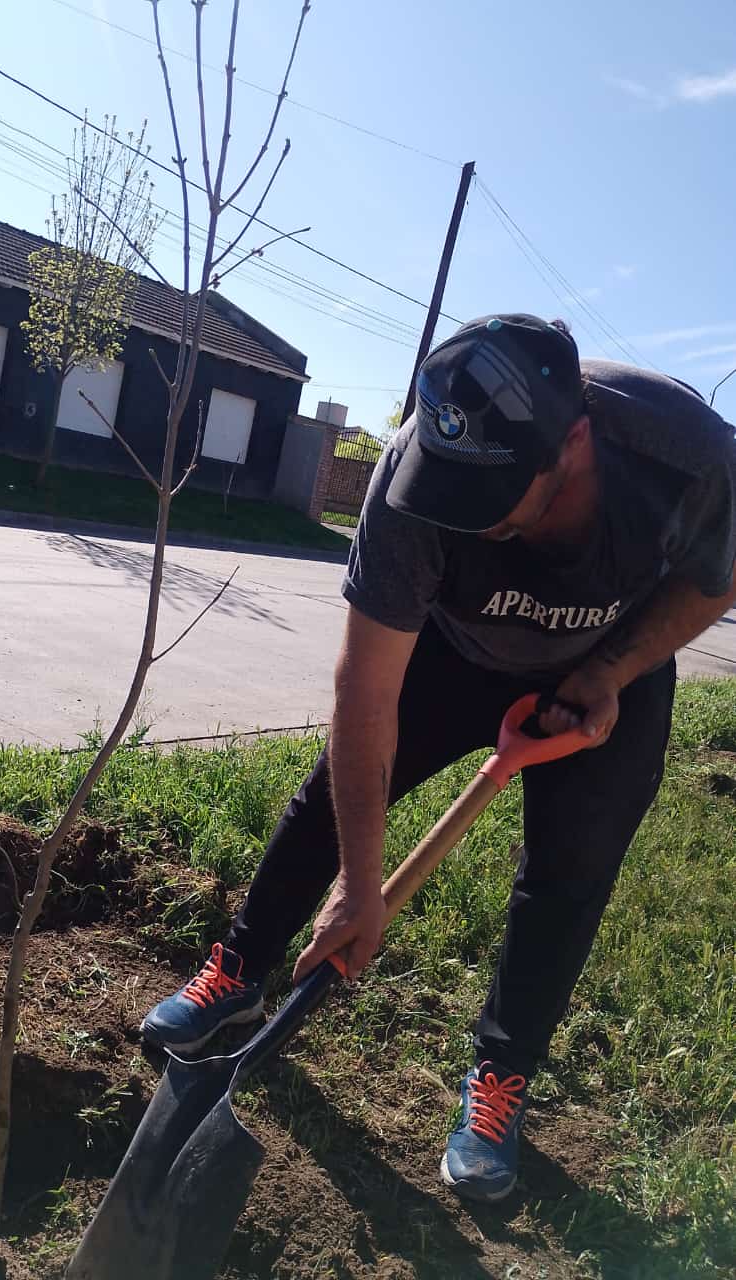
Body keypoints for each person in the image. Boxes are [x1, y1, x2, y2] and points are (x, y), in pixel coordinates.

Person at [140, 314, 736, 1203]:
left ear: (572, 443)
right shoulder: (410, 480)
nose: (460, 515)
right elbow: (366, 693)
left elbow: (715, 577)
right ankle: (239, 968)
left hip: (610, 659)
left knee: (569, 873)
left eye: (487, 501)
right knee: (332, 803)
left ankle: (500, 1077)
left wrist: (612, 669)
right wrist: (360, 881)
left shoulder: (684, 452)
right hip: (454, 653)